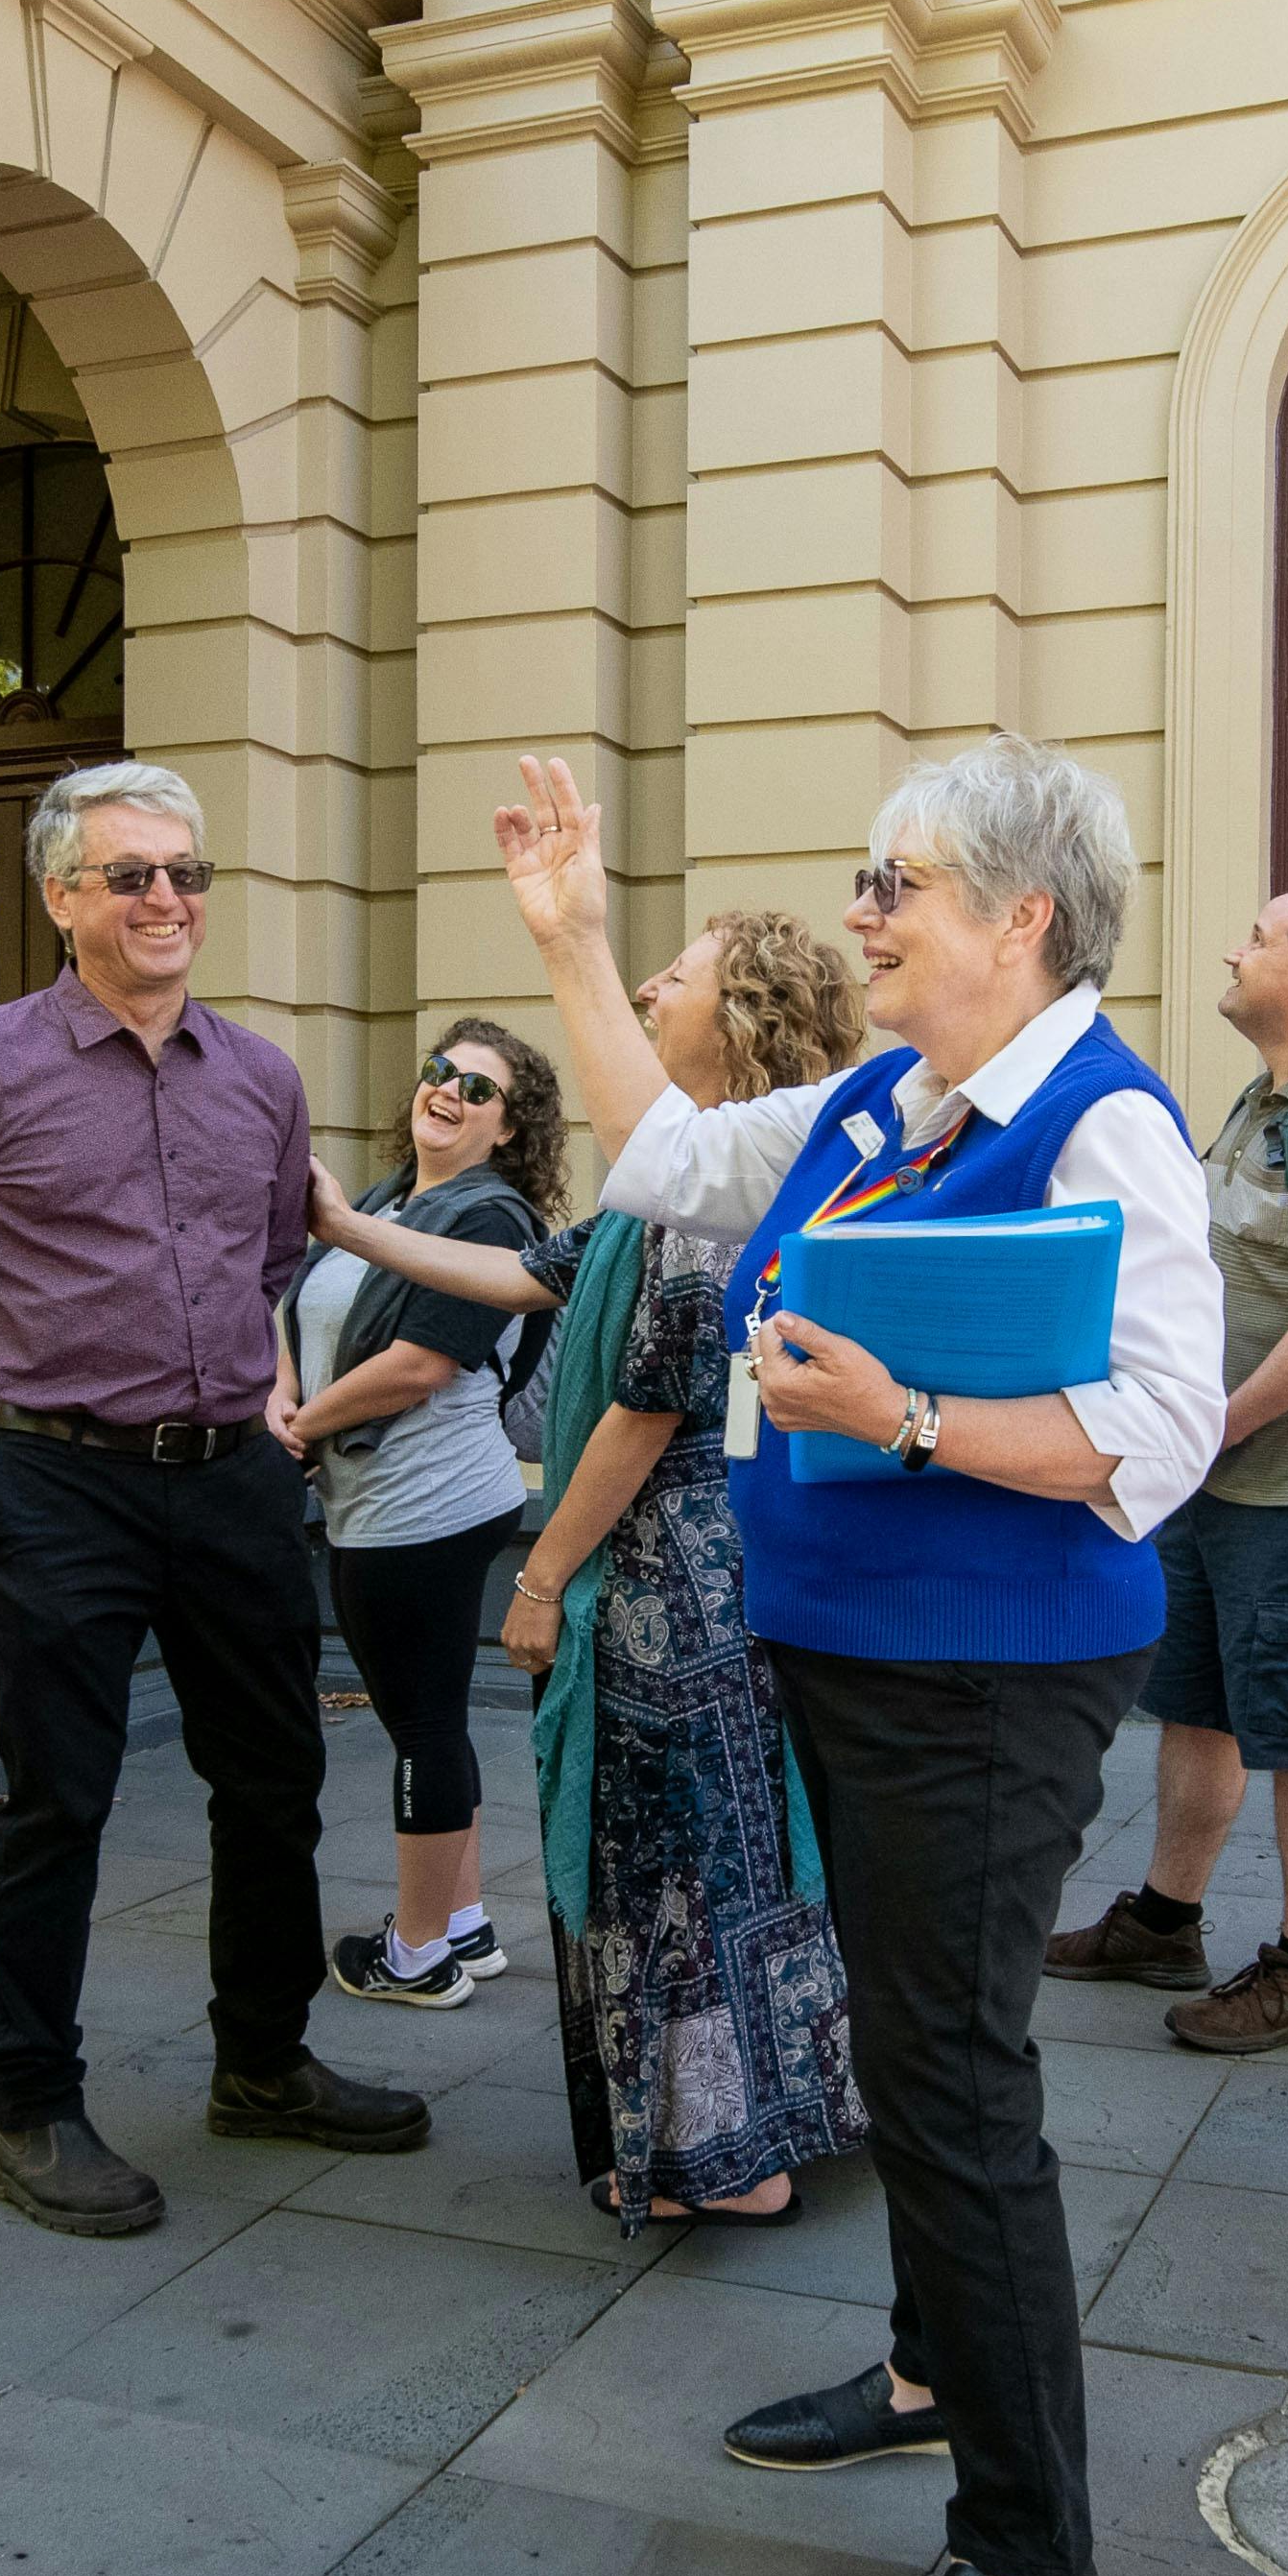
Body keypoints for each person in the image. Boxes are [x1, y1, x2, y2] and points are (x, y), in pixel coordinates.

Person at [491, 743, 1221, 2576]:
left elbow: (1157, 1443)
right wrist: (573, 944)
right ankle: (925, 2371)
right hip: (859, 1656)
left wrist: (899, 1421)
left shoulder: (1105, 1127)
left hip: (984, 1678)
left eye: (900, 884)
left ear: (1023, 918)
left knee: (953, 2081)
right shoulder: (886, 1102)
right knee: (904, 2038)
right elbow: (663, 1160)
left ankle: (1031, 2554)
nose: (868, 914)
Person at [0, 762, 432, 2235]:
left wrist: (239, 1394)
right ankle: (26, 2103)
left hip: (232, 1477)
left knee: (278, 1780)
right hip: (57, 1479)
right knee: (61, 1799)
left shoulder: (261, 1077)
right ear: (60, 898)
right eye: (132, 876)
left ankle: (264, 2061)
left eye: (186, 874)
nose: (167, 899)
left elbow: (266, 1266)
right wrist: (9, 1403)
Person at [301, 914, 871, 2226]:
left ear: (740, 1019)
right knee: (719, 1855)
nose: (652, 986)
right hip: (709, 1571)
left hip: (673, 1581)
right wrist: (350, 1224)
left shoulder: (708, 1195)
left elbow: (648, 1405)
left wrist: (543, 1576)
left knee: (674, 1861)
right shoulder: (689, 1172)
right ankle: (741, 2132)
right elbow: (522, 1274)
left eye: (681, 973)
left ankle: (728, 2161)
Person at [1043, 888, 1288, 2056]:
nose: (1234, 945)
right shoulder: (1267, 1101)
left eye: (1258, 936)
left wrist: (1209, 1425)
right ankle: (1166, 1921)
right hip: (1216, 1478)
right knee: (1197, 1710)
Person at [273, 1017, 558, 2013]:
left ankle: (419, 1952)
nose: (446, 1092)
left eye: (478, 1089)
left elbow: (423, 1363)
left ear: (511, 1129)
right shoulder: (392, 1199)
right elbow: (298, 1302)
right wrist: (282, 1392)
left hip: (427, 1504)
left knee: (424, 1724)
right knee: (423, 1716)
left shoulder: (491, 1221)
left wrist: (302, 1424)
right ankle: (465, 1922)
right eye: (440, 1072)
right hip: (373, 1497)